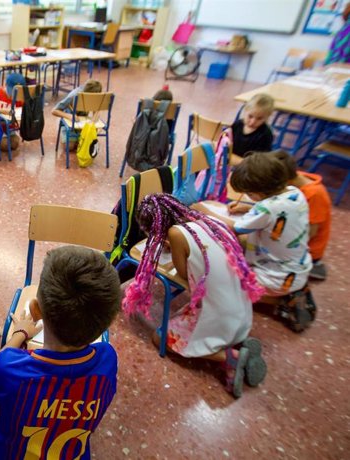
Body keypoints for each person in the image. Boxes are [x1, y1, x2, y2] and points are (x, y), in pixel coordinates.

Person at [0, 246, 120, 459]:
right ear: (105, 324)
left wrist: (19, 333)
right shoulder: (107, 359)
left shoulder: (10, 366)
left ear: (36, 310)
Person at [123, 194, 266, 397]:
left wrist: (172, 246)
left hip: (219, 317)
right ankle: (237, 342)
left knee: (160, 337)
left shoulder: (176, 234)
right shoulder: (210, 221)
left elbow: (182, 274)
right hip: (243, 312)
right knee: (194, 312)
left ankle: (229, 357)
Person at [203, 152, 314, 332]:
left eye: (248, 194)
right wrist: (249, 207)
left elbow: (235, 227)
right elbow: (275, 208)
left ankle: (279, 300)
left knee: (222, 287)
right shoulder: (295, 192)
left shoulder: (267, 208)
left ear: (259, 193)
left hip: (275, 277)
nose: (247, 197)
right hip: (298, 267)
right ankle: (288, 291)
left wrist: (204, 210)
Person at [273, 150, 331, 280]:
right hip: (293, 232)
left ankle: (313, 266)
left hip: (307, 250)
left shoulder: (315, 194)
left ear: (285, 181)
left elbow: (311, 233)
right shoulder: (295, 177)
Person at [51, 79, 103, 150]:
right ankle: (61, 130)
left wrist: (94, 121)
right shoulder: (74, 95)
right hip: (69, 120)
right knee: (70, 147)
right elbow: (54, 111)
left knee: (86, 144)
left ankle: (76, 137)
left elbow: (96, 114)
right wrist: (69, 116)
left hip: (81, 122)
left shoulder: (95, 95)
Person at [227, 93, 274, 163]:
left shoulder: (265, 134)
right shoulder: (237, 125)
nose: (252, 122)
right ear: (245, 110)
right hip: (230, 162)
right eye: (250, 116)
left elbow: (259, 162)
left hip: (249, 168)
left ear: (267, 117)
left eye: (259, 118)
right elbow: (227, 143)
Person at [0, 72, 25, 151]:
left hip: (11, 128)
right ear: (6, 85)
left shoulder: (19, 97)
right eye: (12, 91)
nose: (13, 94)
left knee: (14, 144)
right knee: (4, 145)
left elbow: (21, 111)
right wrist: (5, 111)